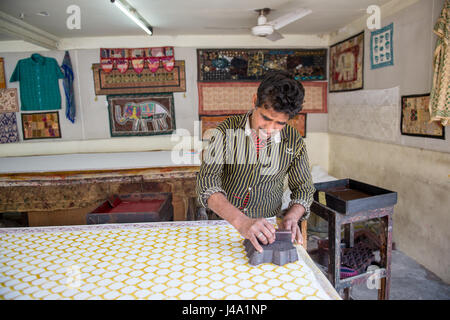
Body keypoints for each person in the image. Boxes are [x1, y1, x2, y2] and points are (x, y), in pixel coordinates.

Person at [196, 71, 315, 253]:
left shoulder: (293, 141)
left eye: (279, 123)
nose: (269, 129)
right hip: (225, 223)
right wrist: (241, 221)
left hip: (268, 229)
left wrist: (292, 216)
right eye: (265, 118)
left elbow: (304, 189)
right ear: (254, 101)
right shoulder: (225, 131)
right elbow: (207, 182)